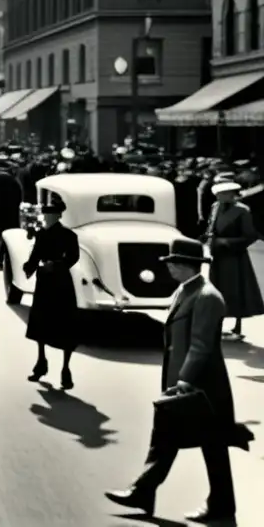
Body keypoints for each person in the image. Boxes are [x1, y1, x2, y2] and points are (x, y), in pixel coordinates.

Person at [105, 238, 237, 523]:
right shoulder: (185, 291)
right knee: (171, 440)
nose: (169, 268)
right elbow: (173, 328)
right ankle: (145, 492)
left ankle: (216, 505)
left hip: (201, 388)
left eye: (172, 263)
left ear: (185, 265)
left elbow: (201, 345)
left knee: (209, 447)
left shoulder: (207, 297)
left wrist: (185, 380)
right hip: (185, 384)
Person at [23, 199, 80, 389]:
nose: (47, 217)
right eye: (46, 214)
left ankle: (66, 368)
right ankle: (41, 362)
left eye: (51, 214)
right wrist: (29, 267)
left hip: (61, 282)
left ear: (58, 216)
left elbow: (73, 256)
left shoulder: (68, 235)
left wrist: (56, 265)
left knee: (65, 324)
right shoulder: (41, 234)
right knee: (41, 322)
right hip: (45, 282)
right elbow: (35, 255)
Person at [202, 180, 263, 341]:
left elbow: (250, 235)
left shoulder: (242, 211)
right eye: (218, 194)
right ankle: (218, 323)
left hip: (235, 257)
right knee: (217, 289)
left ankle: (237, 326)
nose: (220, 197)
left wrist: (227, 242)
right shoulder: (215, 207)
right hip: (218, 255)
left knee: (236, 290)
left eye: (223, 194)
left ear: (232, 195)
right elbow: (211, 226)